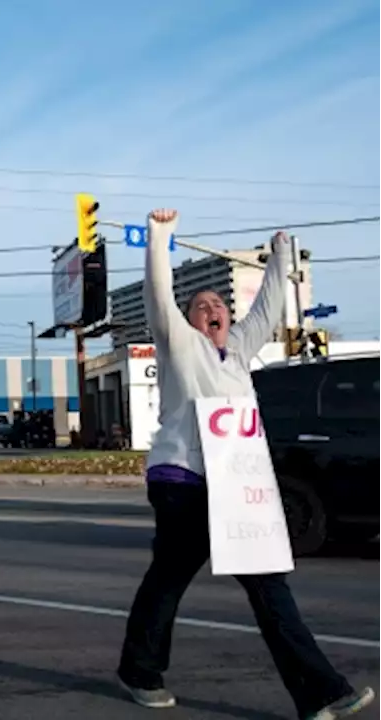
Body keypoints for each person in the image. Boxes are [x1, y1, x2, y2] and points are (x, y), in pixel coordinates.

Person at [116, 209, 374, 719]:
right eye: (201, 305)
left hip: (233, 485)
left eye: (218, 304)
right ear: (187, 320)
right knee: (169, 581)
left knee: (267, 585)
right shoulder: (179, 347)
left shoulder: (236, 352)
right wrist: (160, 237)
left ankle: (319, 694)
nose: (211, 308)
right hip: (182, 480)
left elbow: (269, 309)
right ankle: (139, 671)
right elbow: (157, 294)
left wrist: (279, 259)